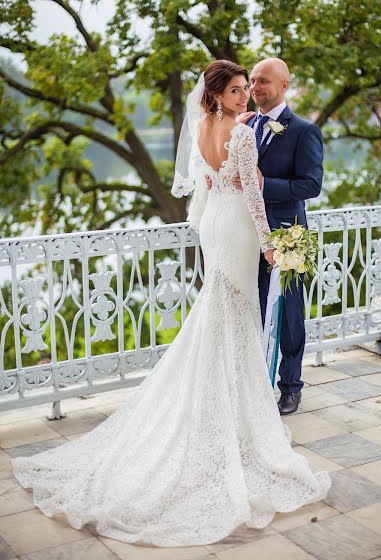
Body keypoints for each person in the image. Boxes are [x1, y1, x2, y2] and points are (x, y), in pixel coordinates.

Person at [12, 60, 330, 547]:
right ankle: (234, 418)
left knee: (219, 315)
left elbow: (204, 187)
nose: (246, 97)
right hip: (240, 230)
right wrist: (270, 244)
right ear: (218, 93)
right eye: (239, 90)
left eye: (249, 89)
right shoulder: (242, 137)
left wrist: (233, 224)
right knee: (236, 318)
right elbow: (252, 200)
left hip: (214, 230)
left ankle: (215, 403)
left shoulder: (203, 126)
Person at [208, 58, 324, 416]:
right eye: (252, 81)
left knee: (289, 315)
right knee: (251, 311)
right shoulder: (243, 123)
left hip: (285, 237)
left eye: (263, 82)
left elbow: (311, 186)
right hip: (244, 235)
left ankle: (290, 387)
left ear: (285, 85)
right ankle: (254, 385)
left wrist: (263, 183)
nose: (255, 88)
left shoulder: (303, 130)